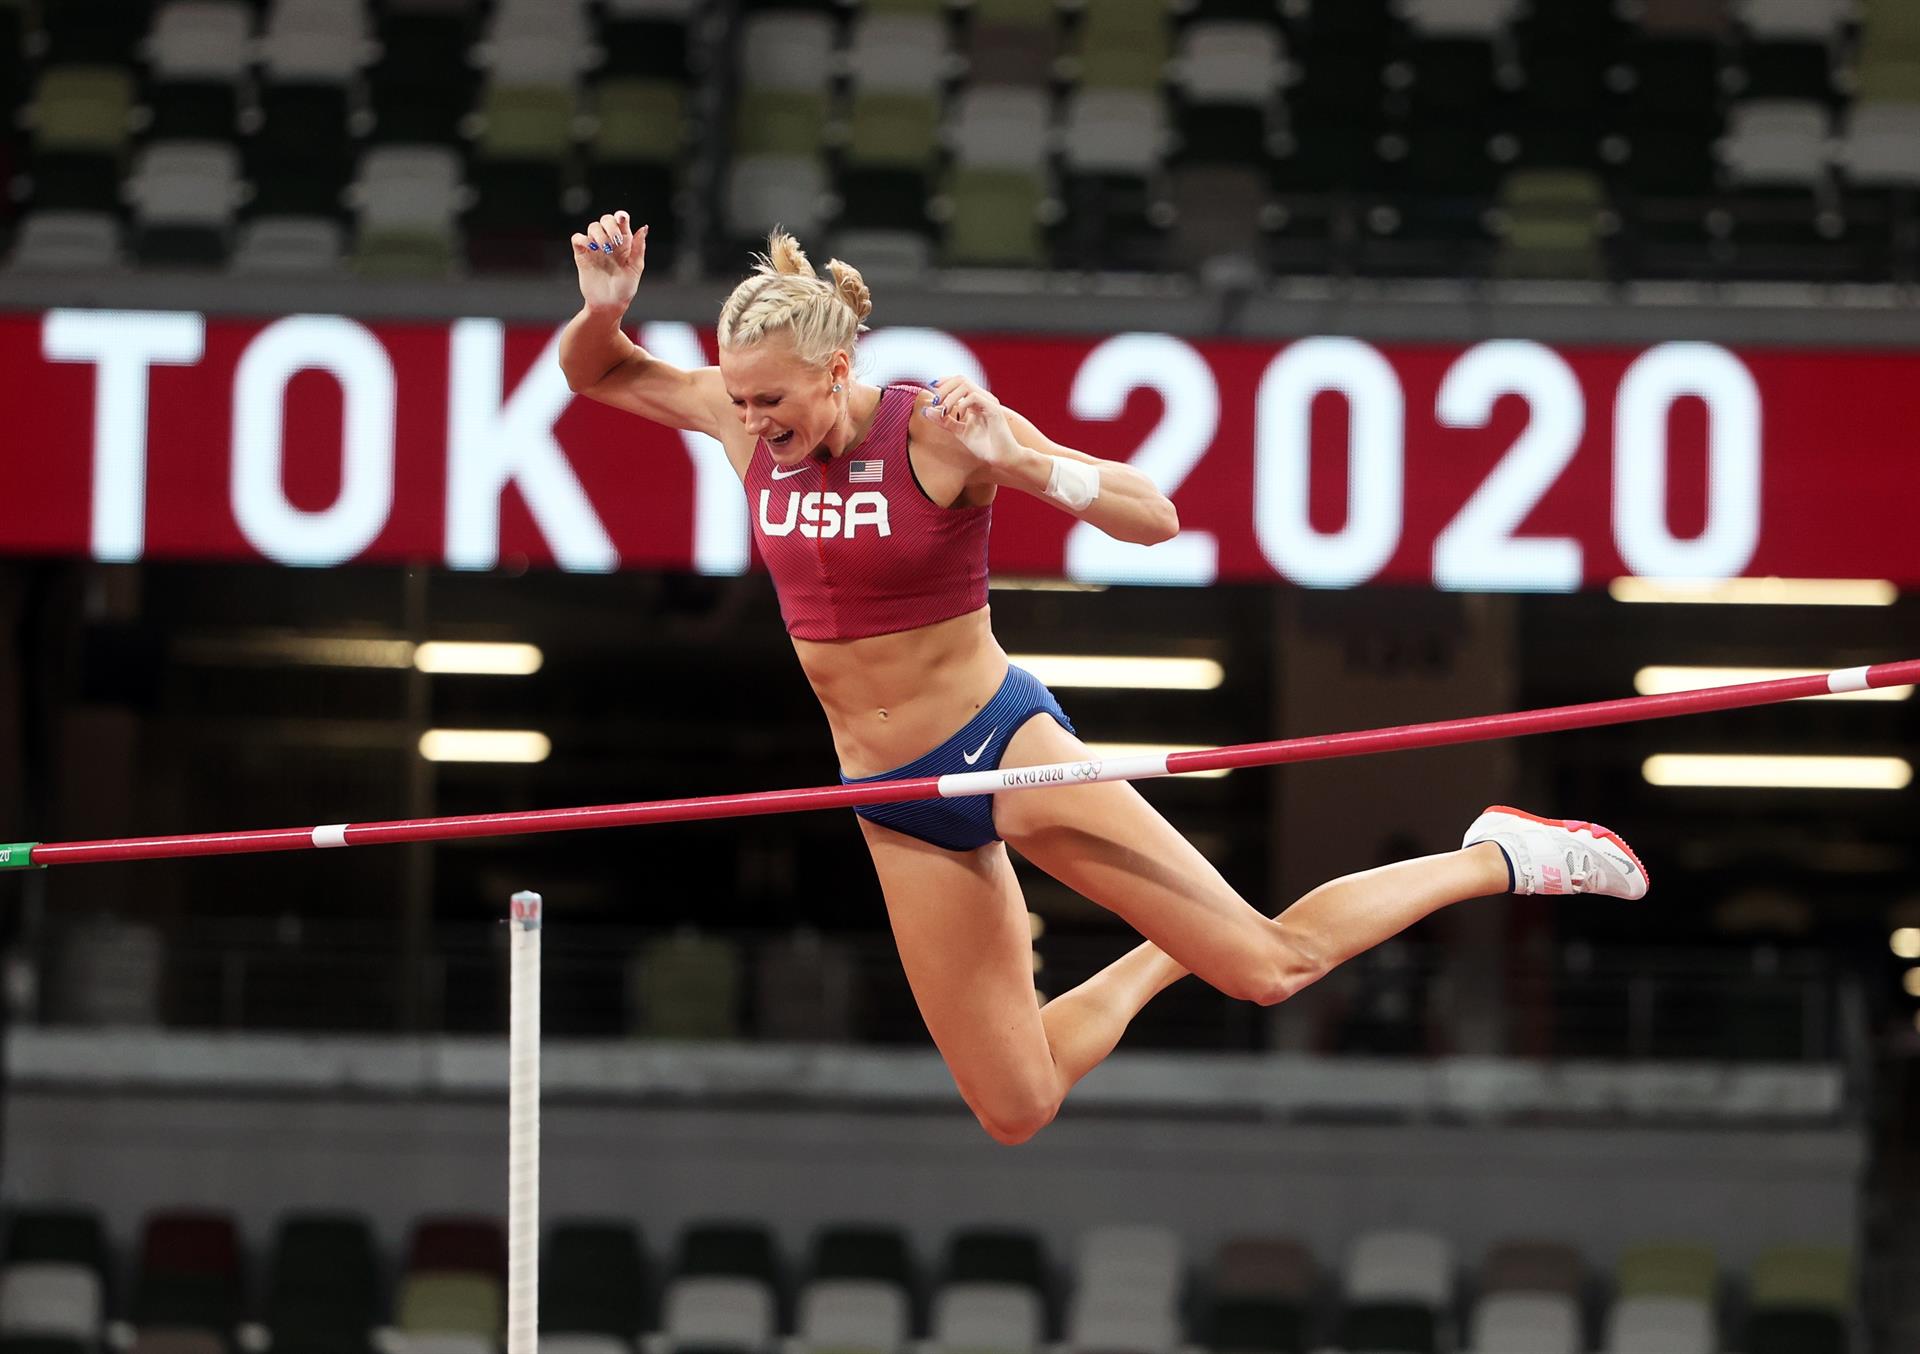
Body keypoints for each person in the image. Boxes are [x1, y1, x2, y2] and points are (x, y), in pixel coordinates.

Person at [558, 210, 1648, 1145]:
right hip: (890, 795)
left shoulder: (935, 430)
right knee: (1016, 1105)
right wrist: (604, 309)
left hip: (1000, 749)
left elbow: (1153, 515)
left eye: (771, 403)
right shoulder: (738, 416)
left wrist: (1024, 463)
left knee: (1270, 967)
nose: (753, 424)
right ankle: (1168, 946)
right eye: (740, 402)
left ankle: (1500, 856)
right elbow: (599, 372)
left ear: (836, 372)